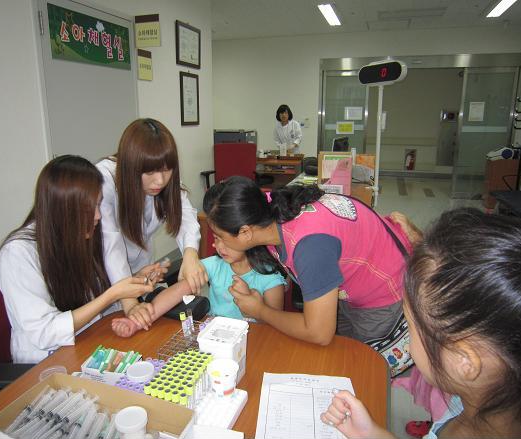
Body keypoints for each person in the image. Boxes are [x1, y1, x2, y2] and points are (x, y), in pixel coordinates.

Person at [321, 208, 521, 438]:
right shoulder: (487, 401)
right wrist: (370, 434)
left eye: (411, 328)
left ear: (464, 360)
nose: (408, 337)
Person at [202, 176, 419, 346]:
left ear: (245, 232)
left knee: (363, 365)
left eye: (219, 236)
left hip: (385, 292)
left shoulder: (309, 246)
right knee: (341, 349)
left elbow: (318, 332)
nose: (215, 242)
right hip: (356, 283)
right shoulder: (265, 207)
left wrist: (260, 311)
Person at [0, 155, 155, 364]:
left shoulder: (73, 234)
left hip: (86, 343)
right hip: (43, 363)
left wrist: (132, 282)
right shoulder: (17, 254)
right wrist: (112, 295)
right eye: (90, 209)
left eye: (99, 205)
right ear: (64, 209)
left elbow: (88, 296)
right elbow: (45, 332)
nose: (98, 216)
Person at [96, 118, 208, 331]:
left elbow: (185, 215)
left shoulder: (162, 173)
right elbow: (110, 245)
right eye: (149, 173)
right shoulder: (105, 179)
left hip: (140, 276)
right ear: (131, 166)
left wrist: (191, 256)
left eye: (167, 170)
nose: (160, 181)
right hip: (107, 280)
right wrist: (129, 302)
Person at [111, 235, 287, 337]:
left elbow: (274, 322)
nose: (218, 246)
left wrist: (254, 307)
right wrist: (138, 320)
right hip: (214, 335)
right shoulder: (215, 264)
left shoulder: (270, 277)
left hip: (253, 339)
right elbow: (177, 291)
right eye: (216, 238)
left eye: (226, 240)